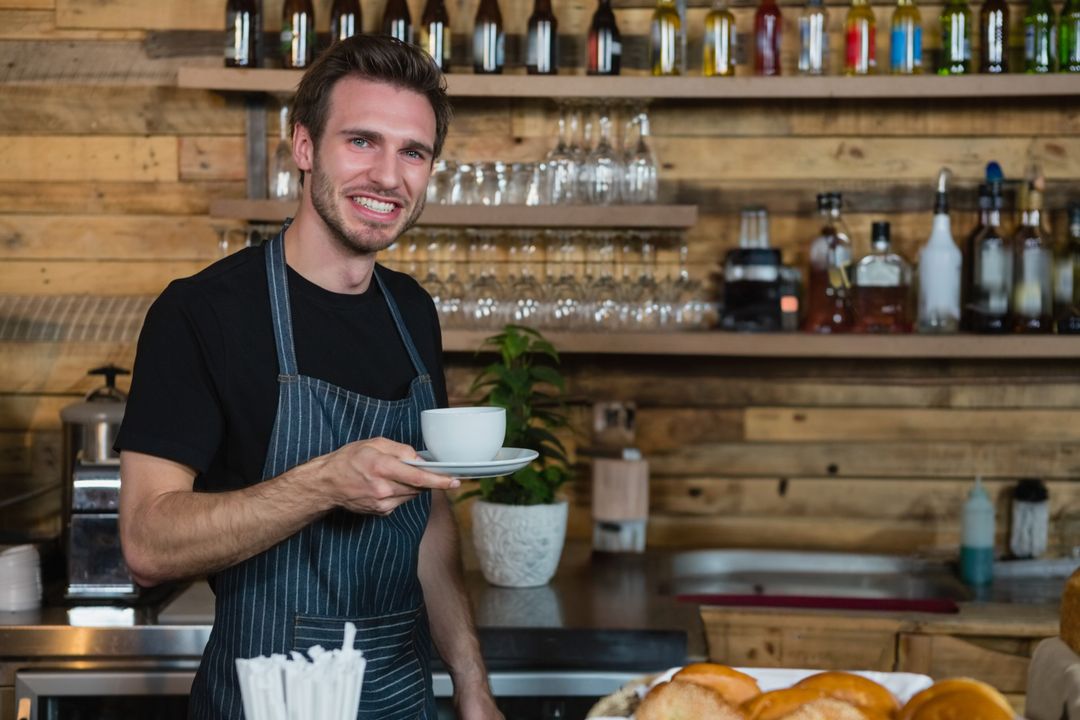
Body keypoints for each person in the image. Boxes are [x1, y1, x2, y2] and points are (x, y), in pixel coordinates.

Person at [116, 35, 502, 720]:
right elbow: (147, 543)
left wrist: (471, 683)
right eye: (361, 142)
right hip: (270, 703)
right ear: (303, 147)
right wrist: (324, 482)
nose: (388, 176)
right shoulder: (202, 313)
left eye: (413, 152)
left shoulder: (412, 309)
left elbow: (430, 516)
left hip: (405, 700)